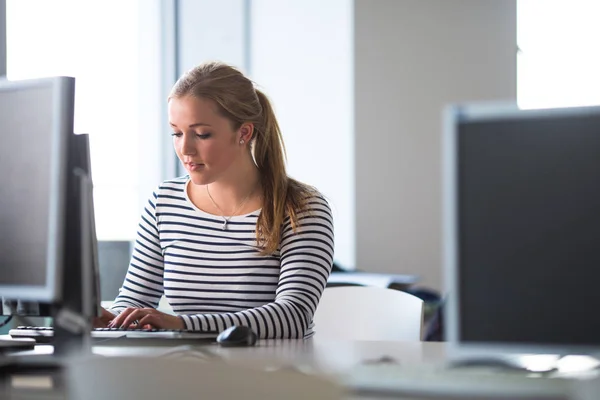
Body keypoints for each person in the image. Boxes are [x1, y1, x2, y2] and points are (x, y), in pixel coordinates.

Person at [95, 61, 334, 339]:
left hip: (271, 375)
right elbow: (135, 299)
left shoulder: (302, 208)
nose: (185, 149)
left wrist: (182, 324)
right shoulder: (164, 202)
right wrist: (115, 319)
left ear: (244, 133)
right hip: (188, 371)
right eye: (176, 133)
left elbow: (292, 317)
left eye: (202, 134)